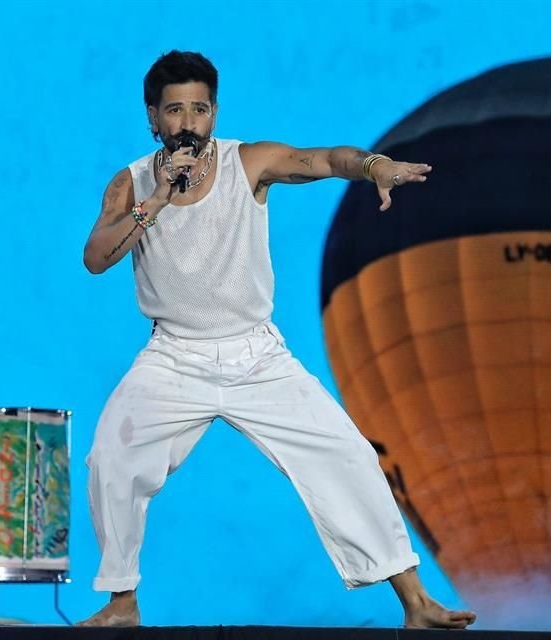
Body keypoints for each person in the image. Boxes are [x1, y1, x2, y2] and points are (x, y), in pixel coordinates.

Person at [78, 50, 477, 629]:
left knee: (347, 455)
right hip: (173, 358)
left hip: (255, 353)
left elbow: (323, 160)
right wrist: (158, 200)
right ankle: (122, 603)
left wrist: (373, 167)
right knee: (112, 457)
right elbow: (94, 258)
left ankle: (416, 603)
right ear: (152, 118)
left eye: (198, 108)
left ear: (213, 113)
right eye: (174, 111)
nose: (187, 122)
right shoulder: (134, 183)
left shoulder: (249, 163)